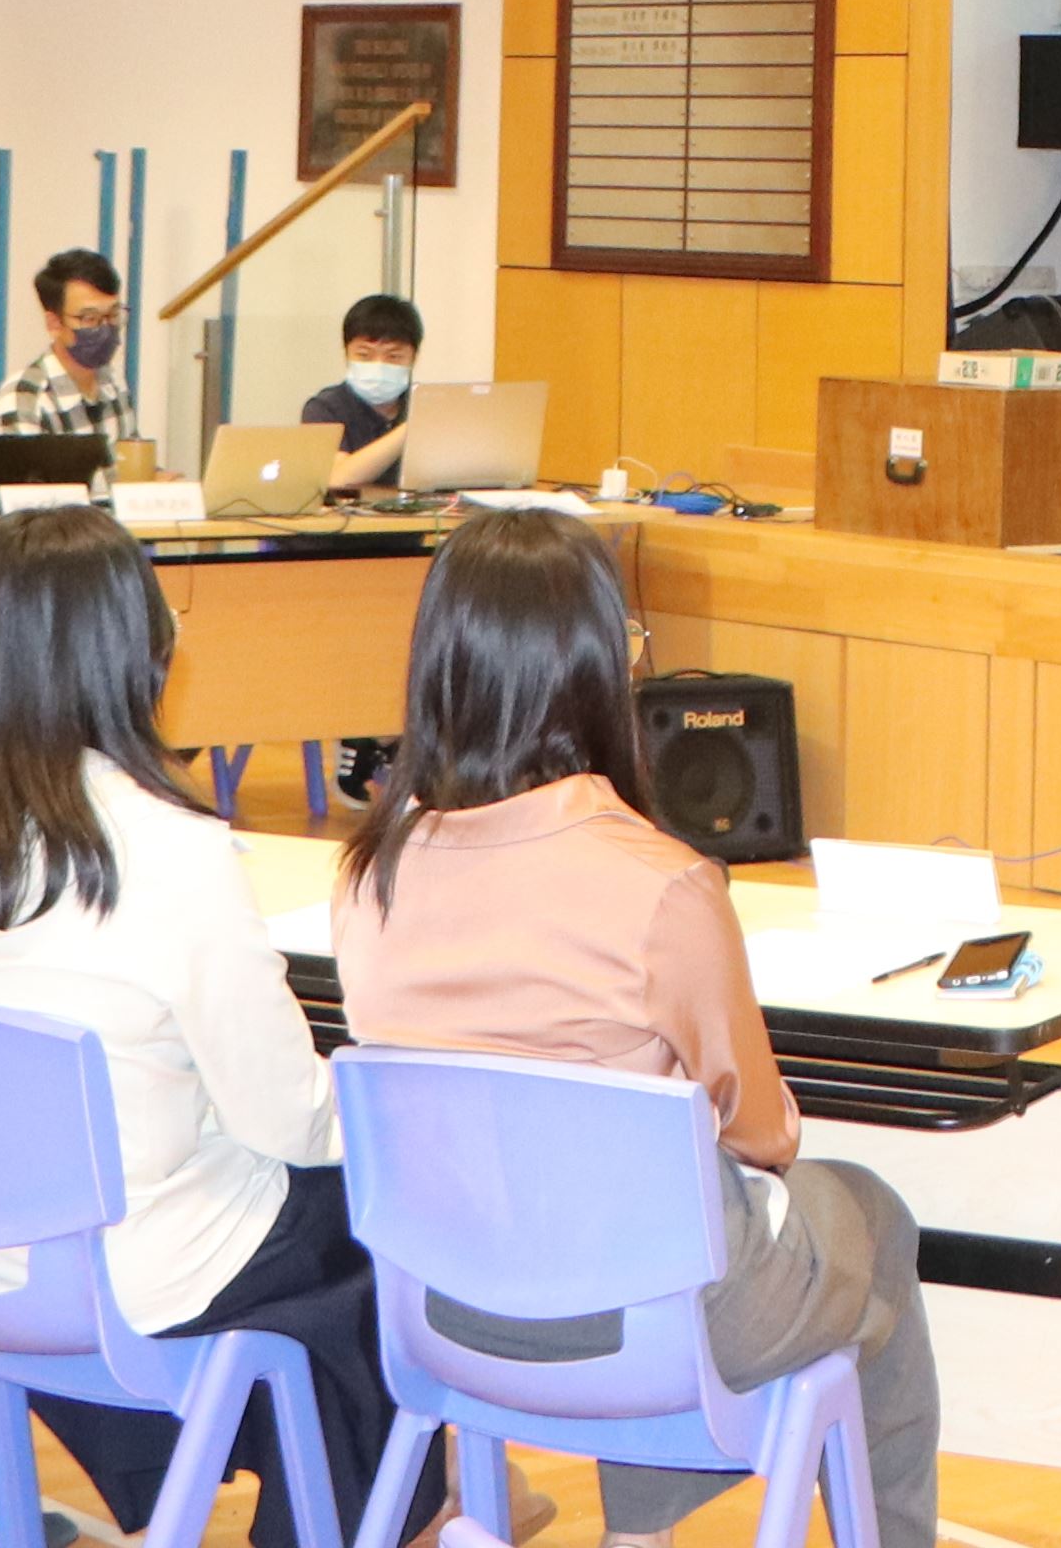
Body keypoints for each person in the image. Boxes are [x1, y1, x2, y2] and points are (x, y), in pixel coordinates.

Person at [336, 509, 940, 1548]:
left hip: (447, 1309)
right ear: (599, 666)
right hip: (638, 1325)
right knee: (864, 1217)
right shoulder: (661, 884)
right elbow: (762, 1135)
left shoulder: (368, 876)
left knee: (648, 1212)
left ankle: (639, 1534)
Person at [0, 509, 397, 1548]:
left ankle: (198, 1497)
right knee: (364, 1220)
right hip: (120, 1277)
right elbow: (287, 1119)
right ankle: (379, 1513)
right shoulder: (168, 850)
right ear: (135, 655)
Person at [0, 245, 134, 458]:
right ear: (54, 323)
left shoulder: (113, 383)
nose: (105, 328)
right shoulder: (25, 398)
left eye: (113, 315)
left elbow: (128, 467)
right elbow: (21, 479)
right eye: (90, 318)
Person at [301, 294, 424, 498]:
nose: (379, 365)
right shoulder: (324, 408)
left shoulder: (424, 404)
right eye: (364, 355)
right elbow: (337, 478)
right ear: (346, 354)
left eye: (394, 356)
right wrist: (411, 429)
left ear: (414, 358)